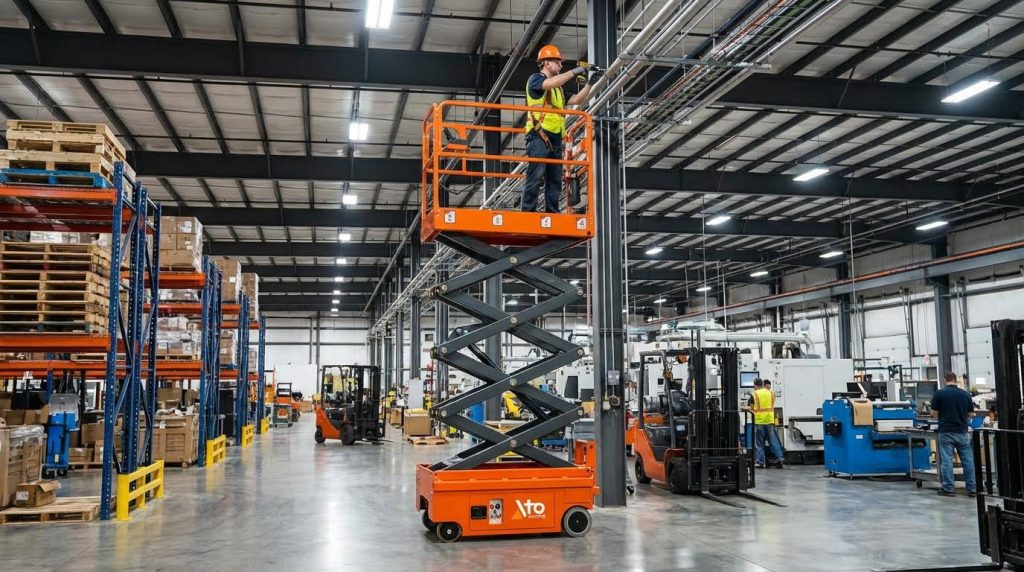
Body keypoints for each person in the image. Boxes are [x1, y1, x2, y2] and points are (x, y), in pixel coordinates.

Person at [522, 44, 601, 213]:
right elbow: (549, 83)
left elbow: (577, 100)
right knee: (536, 174)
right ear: (546, 63)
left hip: (556, 138)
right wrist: (575, 71)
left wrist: (589, 84)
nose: (560, 65)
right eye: (557, 62)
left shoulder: (558, 90)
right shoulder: (535, 79)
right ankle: (528, 211)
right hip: (538, 134)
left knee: (555, 179)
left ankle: (552, 211)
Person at [931, 372, 977, 497]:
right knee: (967, 461)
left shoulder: (939, 394)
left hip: (946, 432)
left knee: (946, 461)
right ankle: (972, 489)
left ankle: (949, 488)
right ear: (956, 380)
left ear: (945, 379)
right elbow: (971, 414)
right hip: (962, 431)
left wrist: (943, 414)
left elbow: (934, 413)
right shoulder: (965, 394)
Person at [746, 378, 784, 468]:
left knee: (759, 442)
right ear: (762, 384)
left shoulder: (754, 394)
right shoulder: (771, 393)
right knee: (773, 441)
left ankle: (760, 461)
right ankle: (780, 458)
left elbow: (751, 408)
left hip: (759, 421)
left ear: (755, 385)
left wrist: (743, 407)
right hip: (770, 420)